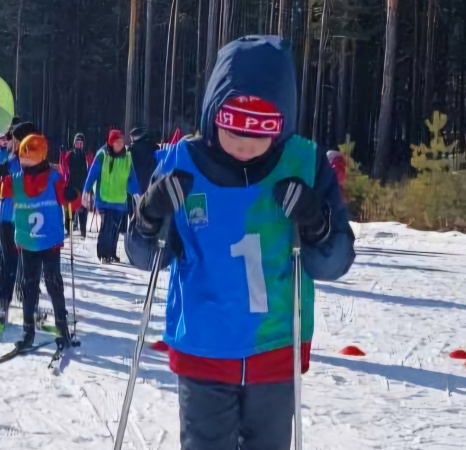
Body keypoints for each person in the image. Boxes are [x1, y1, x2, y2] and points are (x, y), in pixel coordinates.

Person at [125, 35, 355, 450]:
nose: (246, 144)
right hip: (204, 344)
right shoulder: (183, 162)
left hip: (273, 347)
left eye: (262, 129)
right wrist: (149, 215)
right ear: (213, 113)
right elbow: (144, 258)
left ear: (282, 123)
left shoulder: (304, 163)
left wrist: (316, 222)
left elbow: (332, 264)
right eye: (234, 127)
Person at [0, 133, 79, 351]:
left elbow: (71, 201)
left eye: (28, 156)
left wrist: (72, 194)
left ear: (40, 156)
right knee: (29, 285)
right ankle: (28, 331)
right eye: (22, 156)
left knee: (54, 283)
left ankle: (62, 328)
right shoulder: (16, 179)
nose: (23, 159)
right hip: (27, 242)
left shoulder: (54, 178)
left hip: (50, 241)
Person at [0, 122, 37, 326]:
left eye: (17, 140)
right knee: (5, 262)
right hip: (8, 218)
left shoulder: (35, 161)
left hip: (28, 219)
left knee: (28, 264)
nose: (14, 143)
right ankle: (3, 301)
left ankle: (29, 302)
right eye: (14, 140)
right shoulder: (10, 161)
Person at [82, 129, 140, 263]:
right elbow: (92, 174)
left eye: (121, 142)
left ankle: (112, 253)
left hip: (120, 200)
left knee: (115, 229)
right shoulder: (102, 155)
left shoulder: (127, 157)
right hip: (104, 199)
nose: (120, 145)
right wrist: (86, 190)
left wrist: (137, 194)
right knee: (106, 228)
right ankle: (103, 254)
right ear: (110, 143)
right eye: (117, 142)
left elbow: (131, 179)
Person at [60, 133, 89, 237]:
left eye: (81, 143)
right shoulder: (70, 155)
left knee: (83, 209)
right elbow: (65, 168)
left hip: (82, 185)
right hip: (72, 185)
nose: (79, 145)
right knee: (71, 209)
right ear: (74, 143)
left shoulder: (84, 155)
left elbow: (87, 171)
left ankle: (83, 231)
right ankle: (69, 228)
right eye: (77, 143)